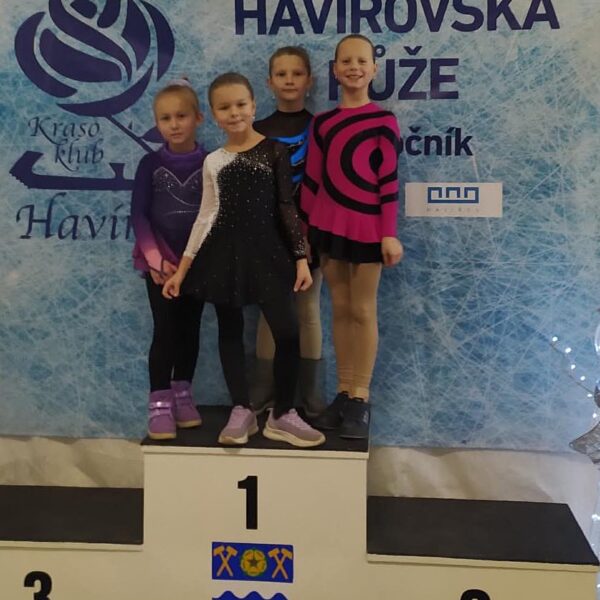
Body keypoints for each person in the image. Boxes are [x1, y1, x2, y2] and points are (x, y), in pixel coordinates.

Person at [163, 72, 325, 448]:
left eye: (240, 104)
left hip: (270, 256)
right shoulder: (213, 161)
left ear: (253, 106)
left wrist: (300, 258)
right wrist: (182, 270)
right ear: (213, 115)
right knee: (230, 331)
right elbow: (206, 216)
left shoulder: (274, 151)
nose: (234, 112)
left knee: (288, 332)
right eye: (225, 107)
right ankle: (241, 408)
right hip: (223, 256)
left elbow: (286, 207)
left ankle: (283, 413)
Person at [301, 35, 404, 439]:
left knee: (362, 310)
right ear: (335, 69)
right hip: (328, 228)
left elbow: (388, 180)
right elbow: (312, 180)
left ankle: (361, 396)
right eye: (346, 61)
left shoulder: (383, 121)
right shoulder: (323, 123)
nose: (354, 67)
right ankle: (343, 393)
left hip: (367, 230)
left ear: (374, 69)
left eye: (362, 61)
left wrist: (388, 233)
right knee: (340, 310)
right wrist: (305, 234)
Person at [131, 79, 207, 440]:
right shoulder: (150, 164)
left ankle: (182, 393)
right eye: (165, 118)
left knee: (190, 330)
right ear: (157, 123)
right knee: (165, 330)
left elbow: (213, 215)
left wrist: (195, 260)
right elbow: (139, 215)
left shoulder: (211, 163)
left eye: (181, 116)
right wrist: (156, 261)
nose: (174, 124)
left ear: (198, 118)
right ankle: (159, 402)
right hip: (160, 265)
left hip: (197, 263)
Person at [252, 46, 325, 419]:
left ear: (309, 80)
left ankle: (311, 394)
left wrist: (308, 236)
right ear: (269, 82)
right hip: (269, 237)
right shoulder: (257, 131)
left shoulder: (321, 128)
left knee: (308, 310)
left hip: (311, 236)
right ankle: (264, 390)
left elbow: (325, 186)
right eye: (281, 74)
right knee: (270, 313)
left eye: (297, 73)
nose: (290, 80)